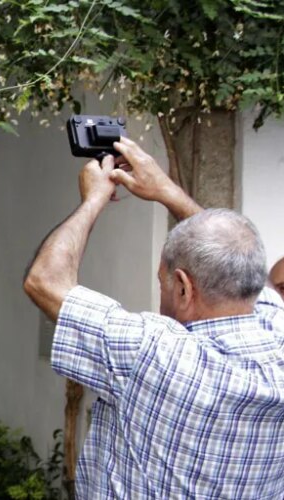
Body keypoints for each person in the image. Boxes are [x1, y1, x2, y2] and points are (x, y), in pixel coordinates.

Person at [24, 137, 284, 498]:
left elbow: (44, 281)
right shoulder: (277, 332)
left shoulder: (153, 354)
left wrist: (94, 199)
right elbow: (232, 257)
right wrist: (166, 191)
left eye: (162, 281)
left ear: (183, 288)